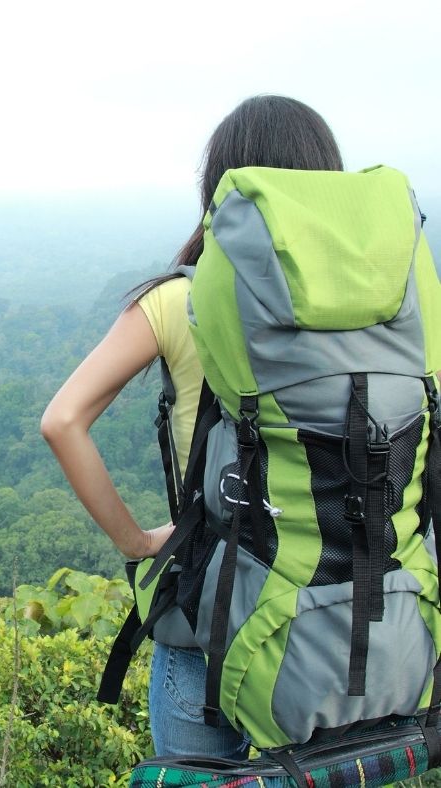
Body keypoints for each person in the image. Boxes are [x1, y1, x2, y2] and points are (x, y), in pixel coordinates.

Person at [39, 95, 345, 759]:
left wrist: (140, 541)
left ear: (221, 188)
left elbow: (63, 421)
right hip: (345, 626)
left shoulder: (183, 299)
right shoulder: (379, 318)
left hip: (216, 620)